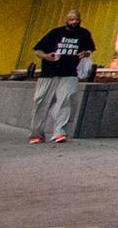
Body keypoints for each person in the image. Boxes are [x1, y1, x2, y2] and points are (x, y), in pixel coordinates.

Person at [26, 9, 93, 143]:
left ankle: (59, 132)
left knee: (65, 100)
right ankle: (36, 134)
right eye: (72, 19)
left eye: (77, 19)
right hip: (49, 73)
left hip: (69, 73)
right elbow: (38, 51)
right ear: (66, 20)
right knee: (41, 102)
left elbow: (89, 50)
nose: (75, 22)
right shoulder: (55, 33)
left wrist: (85, 54)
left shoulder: (84, 34)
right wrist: (47, 57)